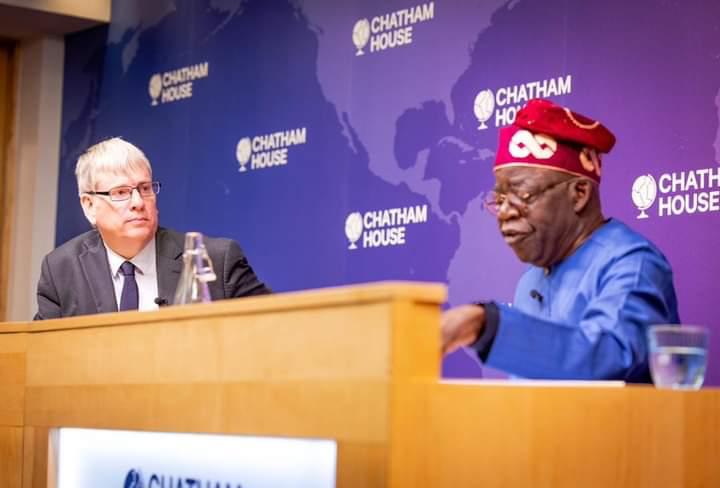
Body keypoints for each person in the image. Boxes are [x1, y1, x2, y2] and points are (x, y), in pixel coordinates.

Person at [441, 99, 679, 382]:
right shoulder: (530, 281)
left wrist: (486, 325)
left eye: (522, 194)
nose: (504, 211)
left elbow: (611, 356)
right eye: (500, 199)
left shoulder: (632, 263)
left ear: (579, 194)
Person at [35, 137, 270, 320]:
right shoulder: (61, 270)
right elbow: (40, 361)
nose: (138, 202)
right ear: (89, 205)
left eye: (145, 188)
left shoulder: (217, 260)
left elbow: (276, 328)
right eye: (121, 192)